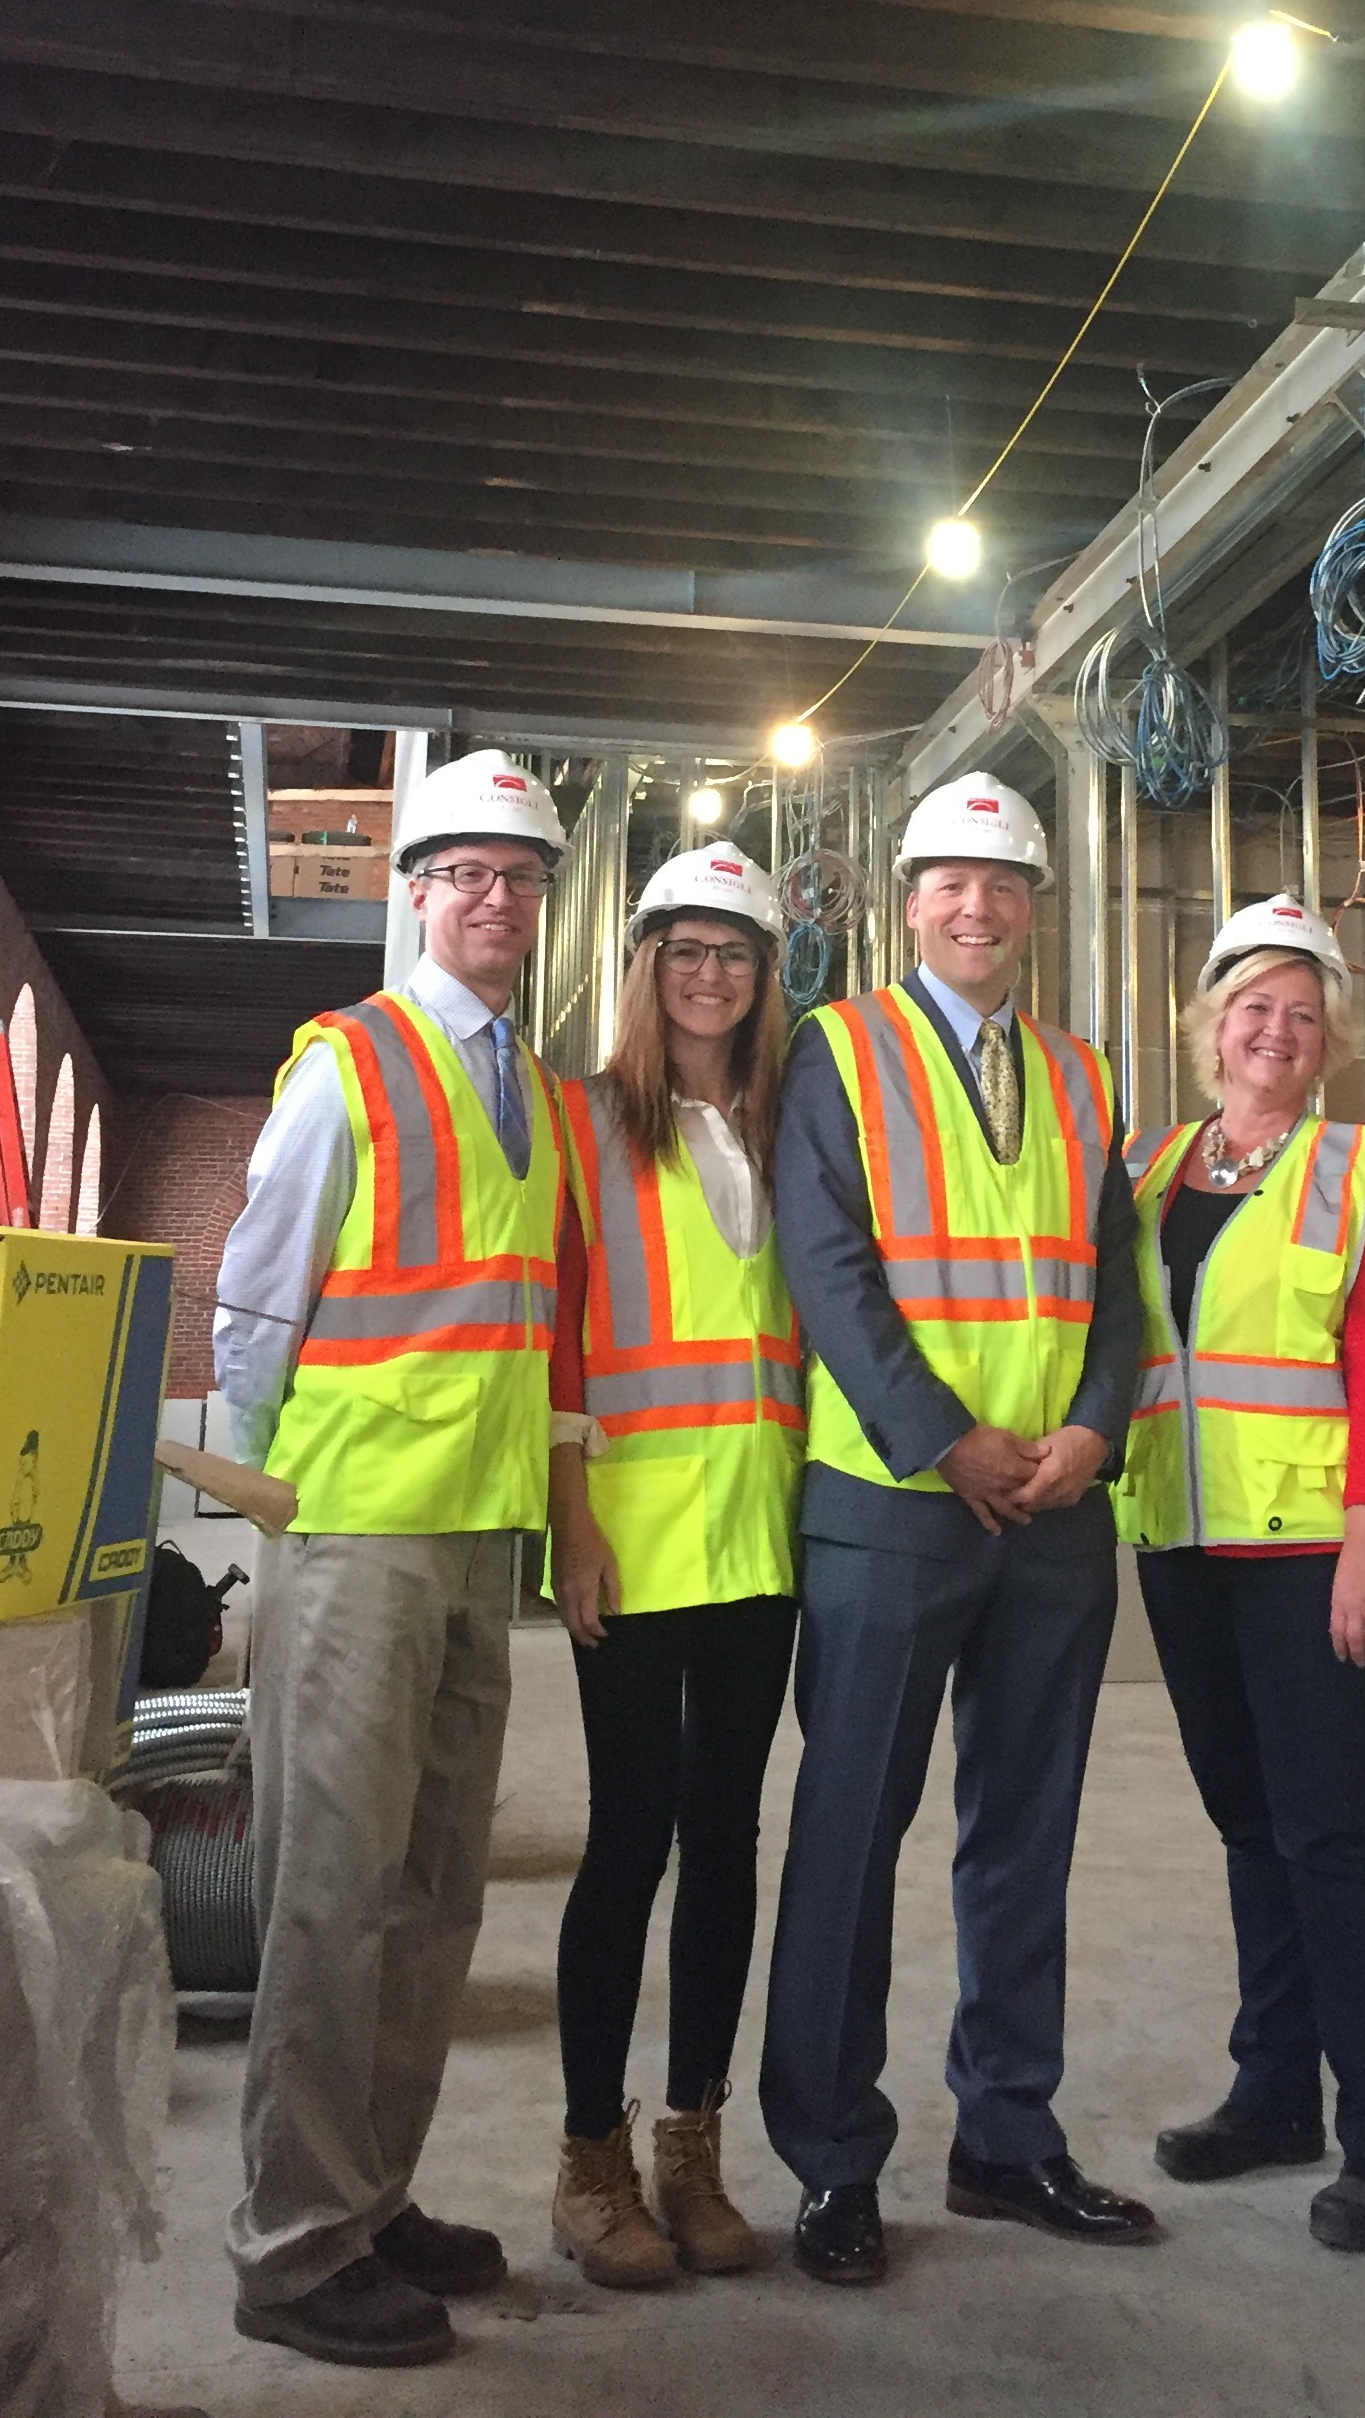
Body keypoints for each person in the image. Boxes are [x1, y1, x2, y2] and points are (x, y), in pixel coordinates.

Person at [759, 769, 1156, 2284]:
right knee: (853, 1836)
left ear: (1034, 911)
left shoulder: (1080, 1072)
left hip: (1051, 1514)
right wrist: (946, 1441)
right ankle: (832, 2158)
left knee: (1026, 1838)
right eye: (949, 883)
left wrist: (1098, 1426)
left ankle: (1007, 2136)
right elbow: (828, 1263)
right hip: (892, 1506)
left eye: (1004, 886)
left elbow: (1114, 1277)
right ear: (906, 900)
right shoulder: (838, 1051)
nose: (976, 907)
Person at [213, 749, 573, 2367]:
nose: (494, 898)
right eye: (465, 874)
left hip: (476, 1536)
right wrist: (269, 1499)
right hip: (352, 1531)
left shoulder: (537, 1092)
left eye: (520, 876)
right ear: (416, 894)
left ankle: (370, 2200)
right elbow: (258, 1305)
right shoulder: (349, 1065)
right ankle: (291, 2251)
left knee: (430, 1896)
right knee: (328, 1896)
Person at [1114, 895, 1365, 2254]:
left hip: (1310, 1554)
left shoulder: (1364, 1175)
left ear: (1331, 1047)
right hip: (1183, 1544)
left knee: (1334, 1836)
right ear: (1209, 1024)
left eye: (1305, 1017)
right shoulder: (1153, 1170)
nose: (1278, 1031)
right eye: (1255, 1006)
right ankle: (1272, 2091)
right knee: (1250, 1827)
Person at [545, 843, 803, 2289]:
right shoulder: (589, 1122)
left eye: (737, 955)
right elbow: (568, 1326)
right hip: (632, 1533)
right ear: (646, 968)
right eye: (685, 952)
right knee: (629, 1835)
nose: (711, 977)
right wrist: (568, 1516)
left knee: (727, 1838)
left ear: (765, 980)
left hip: (760, 1528)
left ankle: (691, 2148)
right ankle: (590, 2157)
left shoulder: (785, 1124)